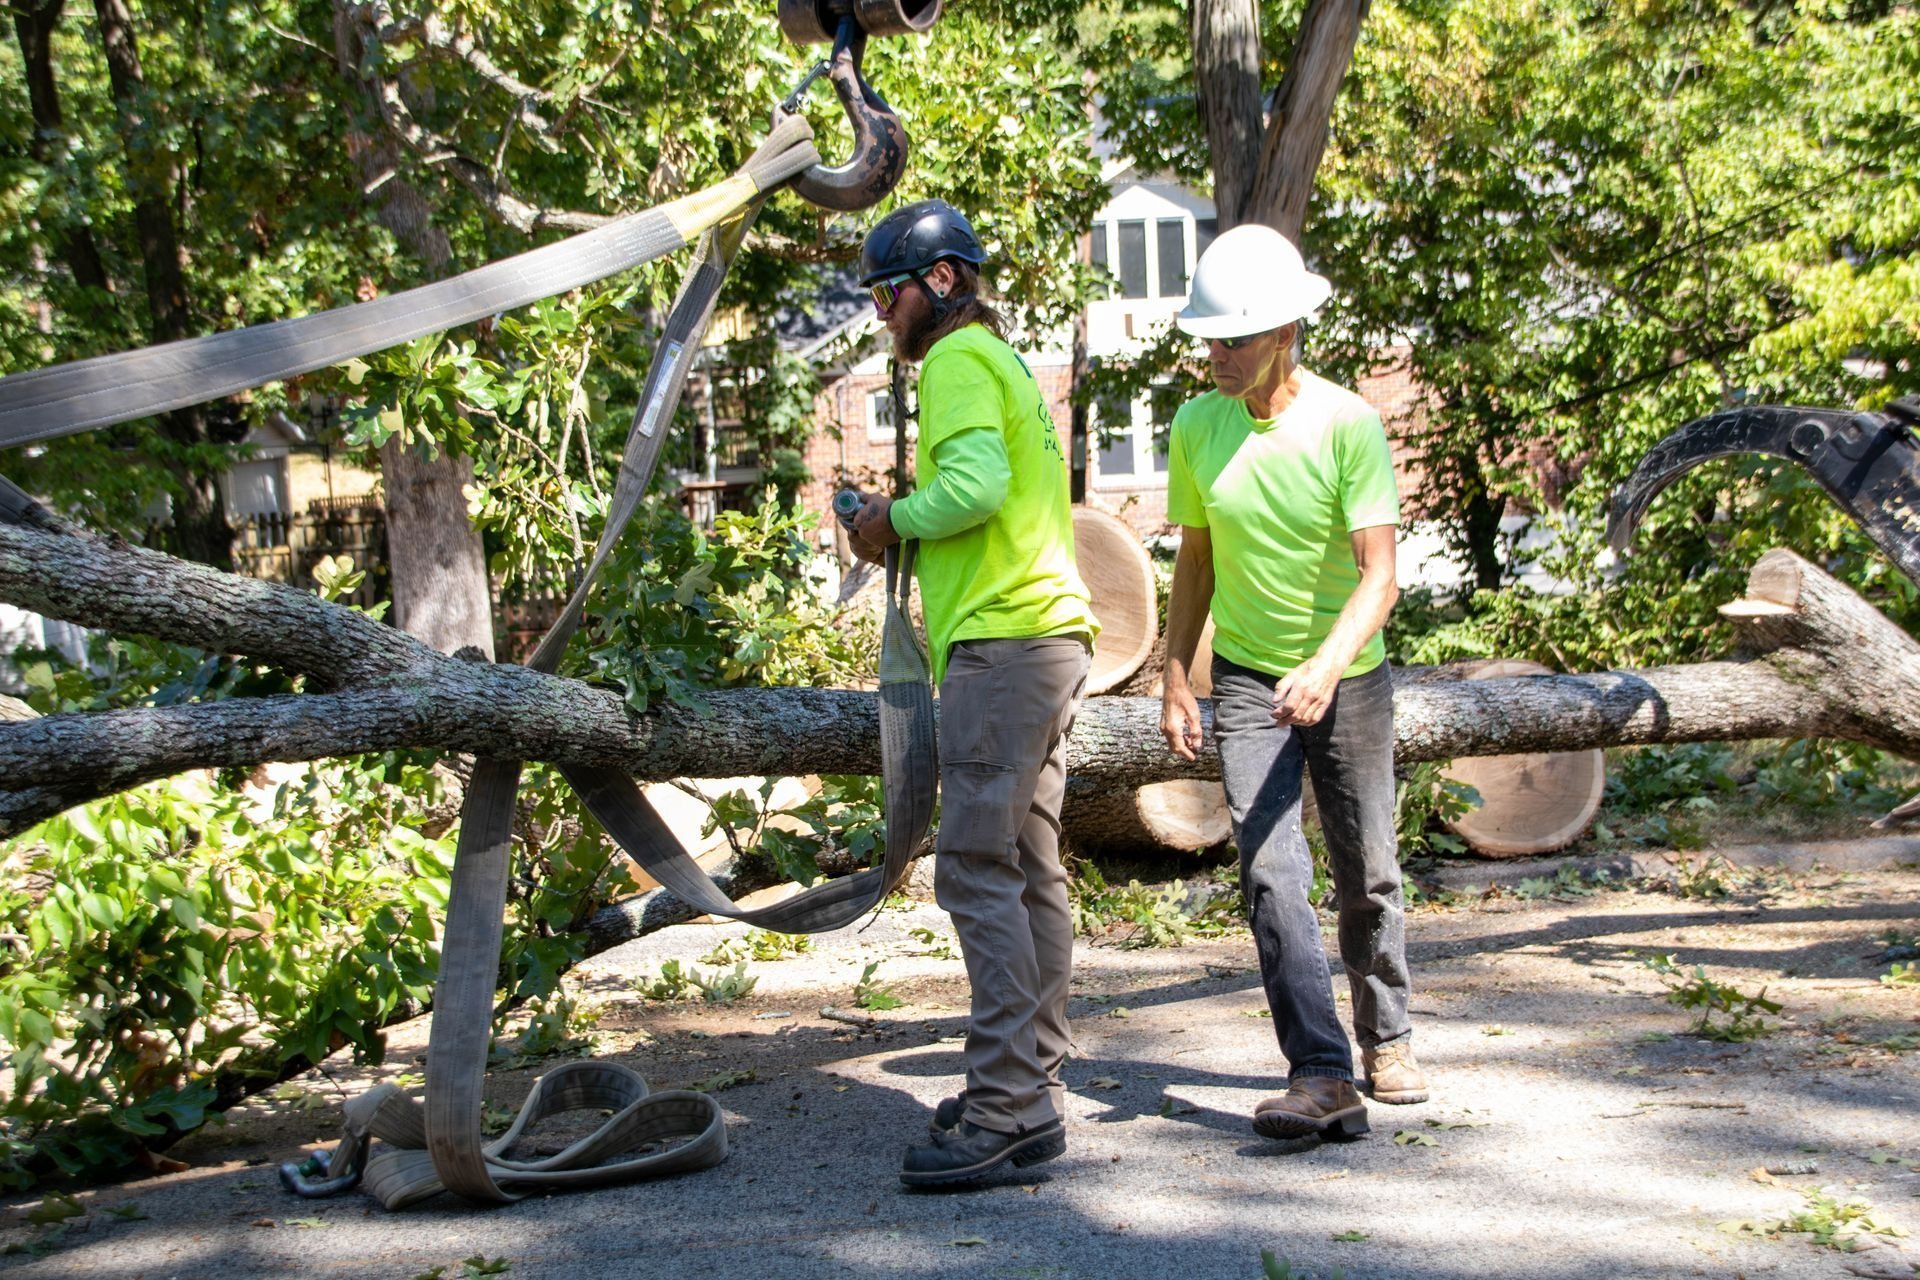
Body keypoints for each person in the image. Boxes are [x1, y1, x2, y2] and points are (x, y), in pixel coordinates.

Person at [840, 199, 1099, 1187]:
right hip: (1048, 638)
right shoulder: (1003, 363)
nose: (880, 312)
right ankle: (1029, 1080)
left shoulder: (954, 361)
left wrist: (885, 519)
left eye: (888, 290)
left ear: (938, 281)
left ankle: (1009, 1108)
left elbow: (976, 489)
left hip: (1004, 644)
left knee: (978, 867)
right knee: (1029, 865)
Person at [1159, 223, 1427, 1143]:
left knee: (1369, 872)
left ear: (1283, 333)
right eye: (1209, 337)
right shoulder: (1197, 424)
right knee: (1270, 871)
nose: (1213, 352)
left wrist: (1324, 665)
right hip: (1242, 675)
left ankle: (1386, 1034)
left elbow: (1381, 574)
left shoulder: (1345, 422)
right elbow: (1195, 558)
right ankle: (1319, 1071)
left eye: (1229, 337)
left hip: (1346, 675)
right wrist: (1172, 672)